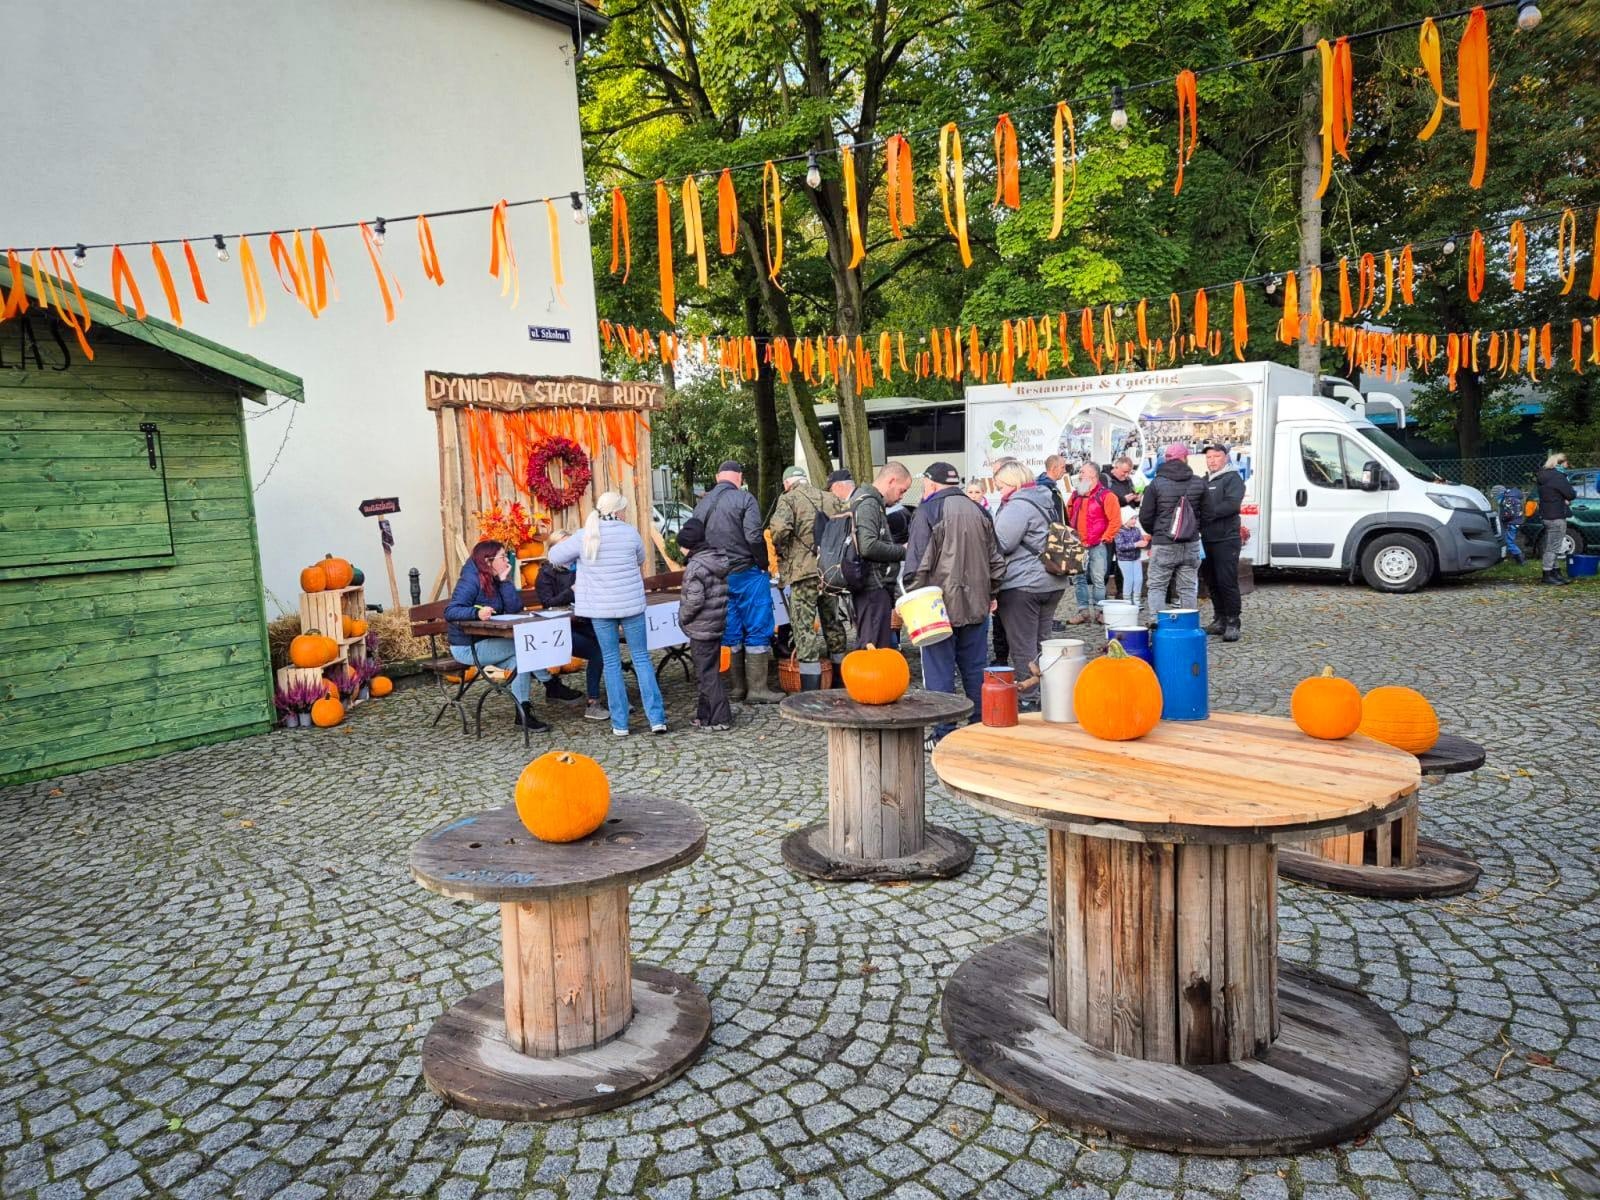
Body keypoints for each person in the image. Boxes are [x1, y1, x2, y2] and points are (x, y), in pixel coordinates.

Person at [546, 492, 668, 736]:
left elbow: (553, 556)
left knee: (611, 662)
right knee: (642, 658)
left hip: (600, 609)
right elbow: (640, 559)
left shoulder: (585, 535)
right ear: (619, 511)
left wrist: (578, 561)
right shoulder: (630, 532)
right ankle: (656, 719)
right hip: (631, 605)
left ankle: (620, 724)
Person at [905, 462, 1006, 743]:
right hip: (976, 604)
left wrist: (911, 598)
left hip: (936, 607)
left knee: (939, 672)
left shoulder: (928, 511)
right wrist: (991, 594)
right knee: (975, 668)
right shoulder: (979, 509)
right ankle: (978, 727)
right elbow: (997, 561)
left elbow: (916, 564)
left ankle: (944, 733)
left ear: (931, 483)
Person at [691, 460, 781, 702]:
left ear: (717, 476)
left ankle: (738, 688)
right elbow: (753, 535)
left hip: (717, 576)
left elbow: (691, 541)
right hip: (747, 573)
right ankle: (758, 690)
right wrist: (764, 564)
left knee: (731, 629)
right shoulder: (745, 499)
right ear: (739, 477)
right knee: (757, 625)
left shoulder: (702, 504)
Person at [444, 540, 549, 731]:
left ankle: (522, 712)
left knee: (521, 659)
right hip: (467, 646)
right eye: (502, 557)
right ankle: (550, 683)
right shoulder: (470, 580)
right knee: (525, 646)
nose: (507, 560)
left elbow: (514, 608)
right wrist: (476, 613)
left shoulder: (494, 578)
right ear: (488, 560)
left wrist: (504, 580)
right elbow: (451, 611)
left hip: (490, 642)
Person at [768, 465, 852, 690]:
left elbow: (778, 529)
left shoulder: (788, 500)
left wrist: (784, 550)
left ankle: (810, 687)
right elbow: (848, 525)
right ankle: (840, 679)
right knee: (832, 621)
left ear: (788, 484)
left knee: (803, 626)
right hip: (830, 572)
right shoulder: (831, 498)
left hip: (803, 573)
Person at [992, 460, 1068, 702]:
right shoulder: (1045, 499)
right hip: (1053, 581)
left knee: (1023, 644)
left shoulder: (1018, 505)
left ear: (1013, 483)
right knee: (1042, 641)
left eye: (1001, 486)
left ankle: (1030, 698)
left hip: (1023, 584)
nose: (999, 491)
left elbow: (1001, 544)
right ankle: (1049, 694)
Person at [534, 530, 606, 720]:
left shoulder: (581, 567)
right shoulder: (545, 574)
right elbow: (548, 603)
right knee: (598, 651)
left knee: (609, 644)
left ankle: (616, 696)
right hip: (561, 629)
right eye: (563, 546)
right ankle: (593, 702)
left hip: (584, 621)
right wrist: (571, 591)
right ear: (553, 549)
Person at [675, 517, 733, 731]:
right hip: (716, 624)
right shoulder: (715, 559)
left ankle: (721, 718)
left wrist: (683, 616)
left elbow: (695, 600)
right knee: (708, 671)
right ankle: (705, 715)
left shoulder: (696, 567)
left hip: (701, 627)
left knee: (707, 675)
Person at [1139, 442, 1207, 616]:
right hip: (1191, 543)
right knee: (1188, 588)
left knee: (1157, 586)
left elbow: (1145, 516)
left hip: (1163, 543)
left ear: (1166, 459)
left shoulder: (1156, 484)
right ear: (1186, 458)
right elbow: (1209, 513)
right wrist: (1194, 529)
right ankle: (1188, 628)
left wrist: (1157, 532)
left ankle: (1159, 627)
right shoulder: (1199, 482)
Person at [849, 462, 912, 648]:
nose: (901, 497)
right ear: (891, 480)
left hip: (874, 588)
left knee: (874, 646)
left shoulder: (871, 502)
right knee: (872, 648)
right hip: (873, 588)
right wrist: (903, 551)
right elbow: (867, 546)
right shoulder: (868, 503)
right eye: (902, 490)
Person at [1199, 442, 1246, 641]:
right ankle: (1219, 618)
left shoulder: (1233, 479)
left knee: (1227, 581)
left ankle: (1233, 621)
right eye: (1209, 457)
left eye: (1216, 457)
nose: (1212, 461)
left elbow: (1232, 505)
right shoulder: (1203, 480)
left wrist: (1207, 514)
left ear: (1225, 457)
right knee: (1212, 581)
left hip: (1226, 538)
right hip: (1206, 539)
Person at [1066, 462, 1121, 624]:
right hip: (1078, 544)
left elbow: (1115, 520)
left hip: (1097, 544)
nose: (1080, 475)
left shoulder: (1107, 496)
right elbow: (1068, 514)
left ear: (1093, 475)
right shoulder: (1076, 495)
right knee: (1079, 579)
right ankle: (1083, 612)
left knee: (1098, 578)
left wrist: (1105, 538)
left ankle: (1099, 611)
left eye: (1082, 472)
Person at [1536, 452, 1576, 585]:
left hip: (1546, 515)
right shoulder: (1559, 477)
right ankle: (1547, 574)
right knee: (1553, 547)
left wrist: (1561, 498)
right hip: (1556, 515)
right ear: (1560, 463)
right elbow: (1570, 494)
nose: (1567, 465)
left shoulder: (1543, 476)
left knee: (1552, 545)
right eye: (1566, 463)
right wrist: (1565, 499)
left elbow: (1551, 494)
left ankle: (1555, 572)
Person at [1113, 505, 1148, 619]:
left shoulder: (1136, 530)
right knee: (1129, 579)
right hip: (1124, 560)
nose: (1134, 521)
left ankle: (1137, 599)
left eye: (1135, 518)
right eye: (1131, 518)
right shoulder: (1119, 532)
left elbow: (1140, 540)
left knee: (1138, 579)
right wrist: (1136, 545)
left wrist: (1143, 543)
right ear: (1124, 519)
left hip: (1136, 558)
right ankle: (1127, 600)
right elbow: (1120, 546)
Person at [1492, 484, 1526, 566]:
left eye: (1495, 495)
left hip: (1511, 523)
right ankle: (1519, 559)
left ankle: (1521, 560)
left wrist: (1502, 519)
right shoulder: (1511, 498)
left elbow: (1509, 514)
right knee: (1509, 540)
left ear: (1499, 493)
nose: (1495, 498)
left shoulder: (1508, 499)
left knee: (1509, 541)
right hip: (1515, 522)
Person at [1036, 454, 1068, 522]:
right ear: (1053, 468)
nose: (1065, 471)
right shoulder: (1044, 490)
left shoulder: (1051, 487)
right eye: (1062, 467)